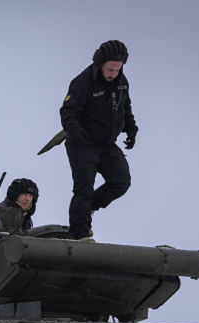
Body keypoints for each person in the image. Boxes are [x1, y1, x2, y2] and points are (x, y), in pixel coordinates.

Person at [60, 39, 137, 242]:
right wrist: (73, 128)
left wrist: (131, 128)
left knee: (121, 181)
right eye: (110, 69)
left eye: (118, 69)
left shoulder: (121, 81)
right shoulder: (83, 82)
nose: (113, 73)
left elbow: (125, 106)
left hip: (106, 144)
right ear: (100, 64)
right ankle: (79, 235)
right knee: (83, 188)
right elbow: (68, 110)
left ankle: (88, 207)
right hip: (83, 143)